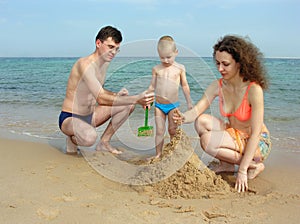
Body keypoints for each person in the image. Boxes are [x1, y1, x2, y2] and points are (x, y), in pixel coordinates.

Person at [173, 35, 271, 193]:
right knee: (201, 121)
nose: (220, 69)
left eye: (225, 64)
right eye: (217, 63)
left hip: (257, 142)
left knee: (208, 141)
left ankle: (254, 165)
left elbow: (255, 134)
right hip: (234, 134)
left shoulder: (253, 90)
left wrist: (242, 171)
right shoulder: (217, 85)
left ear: (239, 63)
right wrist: (183, 117)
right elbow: (197, 110)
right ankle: (226, 164)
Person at [59, 25, 154, 155]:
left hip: (91, 116)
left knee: (128, 104)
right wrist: (138, 99)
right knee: (89, 138)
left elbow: (99, 90)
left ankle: (104, 142)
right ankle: (71, 138)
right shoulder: (84, 64)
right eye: (110, 47)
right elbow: (101, 98)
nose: (114, 52)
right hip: (70, 118)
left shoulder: (104, 64)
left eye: (117, 49)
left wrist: (118, 95)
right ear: (98, 43)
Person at [147, 35, 193, 159]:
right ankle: (158, 154)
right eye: (162, 57)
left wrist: (189, 102)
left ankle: (174, 152)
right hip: (159, 105)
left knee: (173, 129)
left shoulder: (180, 68)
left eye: (169, 57)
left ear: (176, 52)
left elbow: (184, 85)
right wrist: (147, 99)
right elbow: (152, 87)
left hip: (173, 105)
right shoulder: (156, 69)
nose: (166, 60)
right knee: (160, 131)